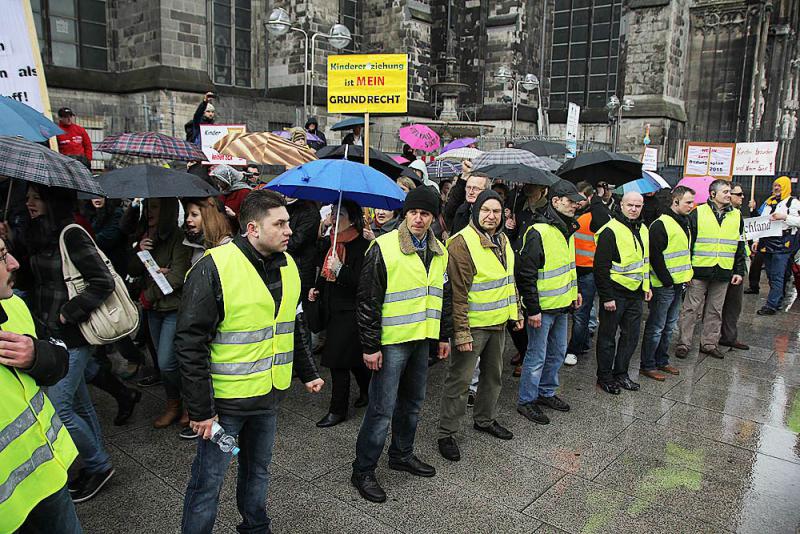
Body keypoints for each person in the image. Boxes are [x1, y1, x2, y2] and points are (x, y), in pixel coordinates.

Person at [176, 190, 324, 533]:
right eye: (280, 224)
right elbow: (190, 343)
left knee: (258, 470)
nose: (289, 230)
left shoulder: (289, 266)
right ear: (253, 229)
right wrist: (200, 410)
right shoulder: (214, 267)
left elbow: (292, 323)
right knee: (208, 482)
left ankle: (256, 526)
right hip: (225, 405)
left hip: (268, 396)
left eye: (288, 223)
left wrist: (308, 372)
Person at [351, 186, 452, 503]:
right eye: (413, 212)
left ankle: (401, 454)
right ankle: (363, 470)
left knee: (412, 404)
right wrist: (370, 346)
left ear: (433, 217)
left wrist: (443, 335)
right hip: (391, 342)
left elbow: (443, 296)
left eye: (425, 213)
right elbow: (367, 300)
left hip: (421, 338)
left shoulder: (440, 251)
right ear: (405, 214)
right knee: (381, 409)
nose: (418, 219)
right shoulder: (384, 247)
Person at [22, 184, 116, 502]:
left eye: (36, 198)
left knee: (59, 408)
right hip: (49, 331)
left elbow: (103, 281)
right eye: (28, 197)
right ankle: (96, 462)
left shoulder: (72, 234)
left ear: (52, 201)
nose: (29, 202)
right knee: (79, 403)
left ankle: (98, 464)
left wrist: (68, 313)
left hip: (73, 334)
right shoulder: (38, 232)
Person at [0, 239, 85, 533]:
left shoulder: (13, 304)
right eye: (1, 257)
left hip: (48, 478)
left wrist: (36, 355)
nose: (14, 263)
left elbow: (60, 355)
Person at [437, 190, 520, 461]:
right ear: (475, 211)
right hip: (472, 327)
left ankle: (485, 419)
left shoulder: (503, 239)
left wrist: (516, 312)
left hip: (498, 323)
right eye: (486, 210)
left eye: (496, 211)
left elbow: (508, 280)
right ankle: (447, 433)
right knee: (460, 381)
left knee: (493, 377)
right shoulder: (461, 243)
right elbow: (457, 294)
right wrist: (461, 333)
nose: (491, 216)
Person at [516, 180, 582, 422]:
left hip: (561, 305)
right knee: (537, 356)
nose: (575, 205)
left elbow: (568, 267)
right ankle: (527, 400)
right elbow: (526, 274)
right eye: (570, 201)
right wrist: (532, 309)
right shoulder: (539, 231)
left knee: (557, 352)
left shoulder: (566, 229)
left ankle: (546, 392)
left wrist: (574, 292)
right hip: (542, 309)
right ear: (555, 201)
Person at [128, 198, 193, 436]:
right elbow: (132, 270)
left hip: (173, 307)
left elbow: (177, 276)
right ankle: (173, 404)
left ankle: (189, 404)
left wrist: (149, 294)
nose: (149, 212)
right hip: (154, 309)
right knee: (162, 363)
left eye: (155, 207)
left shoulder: (178, 237)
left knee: (168, 361)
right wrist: (139, 252)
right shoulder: (145, 236)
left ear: (166, 210)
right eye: (147, 206)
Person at [309, 201, 371, 428]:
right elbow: (323, 269)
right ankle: (368, 390)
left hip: (351, 312)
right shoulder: (332, 241)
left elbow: (362, 283)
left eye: (340, 214)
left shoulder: (363, 246)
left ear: (352, 219)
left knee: (337, 362)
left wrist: (340, 269)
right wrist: (317, 288)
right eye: (333, 212)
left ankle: (337, 410)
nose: (334, 217)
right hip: (332, 308)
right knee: (354, 360)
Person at [675, 180, 746, 360]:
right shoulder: (698, 212)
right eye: (725, 192)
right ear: (713, 194)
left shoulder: (737, 215)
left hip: (723, 270)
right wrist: (686, 269)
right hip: (699, 269)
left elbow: (740, 245)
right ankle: (684, 343)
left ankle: (709, 343)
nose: (729, 195)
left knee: (715, 310)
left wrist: (738, 270)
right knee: (691, 309)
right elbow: (688, 243)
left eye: (729, 192)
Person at [594, 191, 651, 394]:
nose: (634, 209)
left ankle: (621, 374)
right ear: (622, 205)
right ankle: (605, 377)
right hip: (615, 292)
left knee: (631, 337)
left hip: (635, 292)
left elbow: (644, 261)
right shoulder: (610, 230)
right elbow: (600, 267)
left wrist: (646, 286)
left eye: (638, 206)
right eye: (630, 205)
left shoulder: (643, 228)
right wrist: (607, 297)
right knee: (607, 337)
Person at [639, 186, 695, 381]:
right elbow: (655, 257)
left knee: (669, 326)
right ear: (676, 201)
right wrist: (667, 281)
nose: (691, 205)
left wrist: (686, 275)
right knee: (656, 327)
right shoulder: (660, 224)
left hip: (678, 283)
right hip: (664, 285)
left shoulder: (684, 222)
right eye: (688, 202)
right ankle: (648, 365)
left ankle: (662, 360)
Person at [565, 181, 608, 366]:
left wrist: (597, 199)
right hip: (575, 269)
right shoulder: (577, 214)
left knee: (580, 313)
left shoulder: (594, 215)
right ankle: (582, 344)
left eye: (580, 198)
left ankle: (573, 350)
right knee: (582, 312)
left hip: (587, 271)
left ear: (589, 197)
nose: (577, 201)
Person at [752, 176, 799, 315]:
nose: (776, 188)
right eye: (775, 185)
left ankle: (771, 305)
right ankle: (778, 299)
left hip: (783, 244)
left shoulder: (793, 203)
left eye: (779, 185)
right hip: (767, 242)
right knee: (771, 274)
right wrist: (756, 240)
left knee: (777, 274)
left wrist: (784, 217)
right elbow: (761, 222)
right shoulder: (768, 202)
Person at [719, 184, 751, 350]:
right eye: (738, 194)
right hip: (721, 266)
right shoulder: (717, 215)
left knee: (734, 304)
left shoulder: (737, 214)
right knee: (715, 305)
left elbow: (740, 241)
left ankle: (729, 336)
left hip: (737, 264)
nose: (742, 197)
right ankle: (712, 337)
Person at [182, 197, 234, 266]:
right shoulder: (191, 244)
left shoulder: (227, 247)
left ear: (208, 218)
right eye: (187, 215)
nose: (188, 219)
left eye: (194, 215)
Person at [443, 164, 491, 235]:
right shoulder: (462, 210)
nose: (471, 192)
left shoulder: (492, 212)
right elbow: (450, 209)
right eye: (468, 187)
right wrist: (464, 177)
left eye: (476, 188)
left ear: (486, 191)